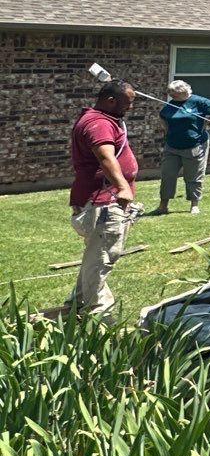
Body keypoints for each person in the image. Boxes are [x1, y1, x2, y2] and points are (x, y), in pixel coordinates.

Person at [68, 79, 139, 315]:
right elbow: (106, 157)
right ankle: (98, 317)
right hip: (103, 203)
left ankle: (76, 305)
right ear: (110, 100)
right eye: (126, 103)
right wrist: (122, 187)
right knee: (101, 259)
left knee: (95, 258)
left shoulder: (101, 119)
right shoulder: (99, 124)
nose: (129, 108)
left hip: (100, 201)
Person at [157, 79, 210, 214]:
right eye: (170, 92)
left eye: (173, 92)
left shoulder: (198, 101)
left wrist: (208, 122)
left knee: (193, 176)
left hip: (195, 145)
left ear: (183, 91)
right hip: (172, 146)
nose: (171, 95)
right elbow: (162, 116)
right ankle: (163, 206)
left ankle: (194, 205)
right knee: (167, 175)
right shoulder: (171, 104)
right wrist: (167, 130)